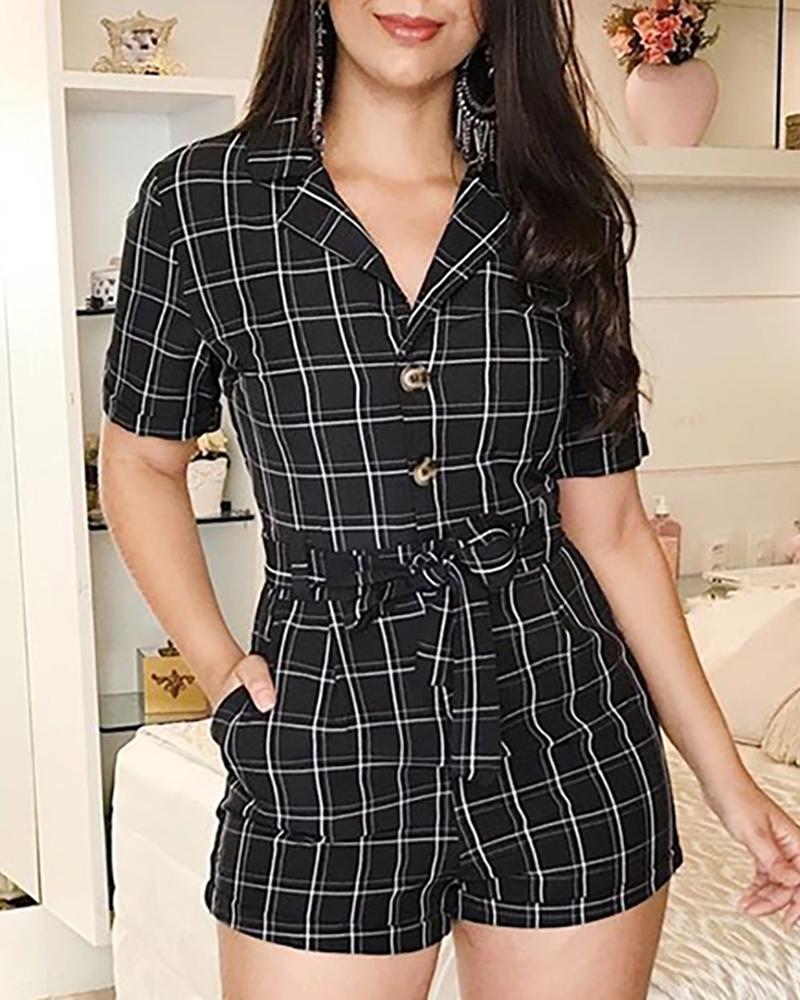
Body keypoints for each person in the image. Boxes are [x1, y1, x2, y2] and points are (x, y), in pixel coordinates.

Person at [98, 1, 800, 997]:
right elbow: (140, 460)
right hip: (326, 727)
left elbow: (610, 530)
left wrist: (729, 786)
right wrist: (218, 667)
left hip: (563, 727)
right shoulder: (204, 201)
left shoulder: (562, 210)